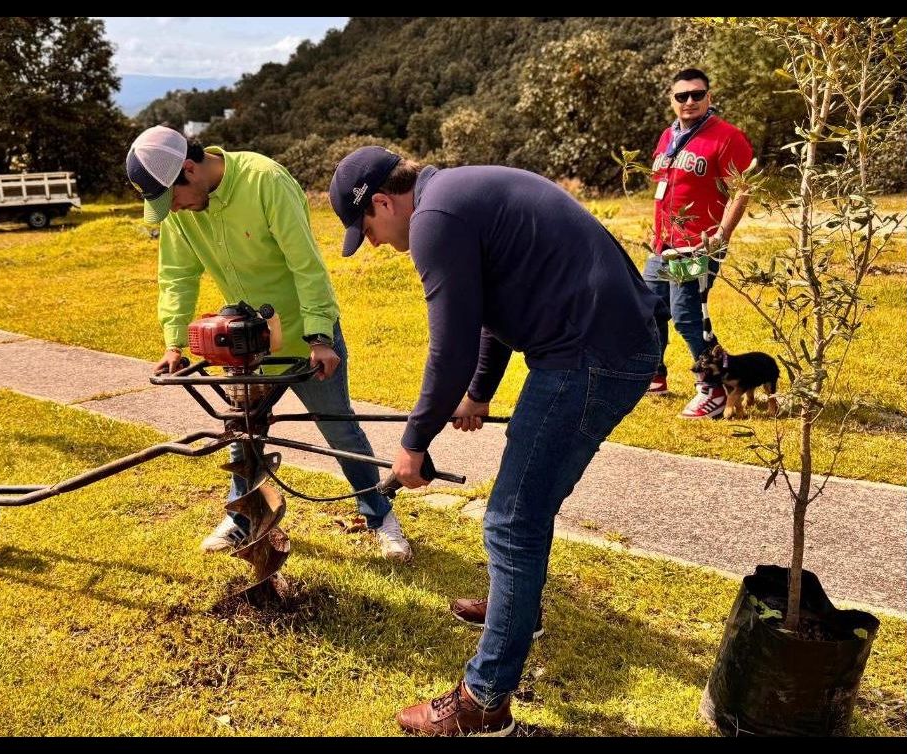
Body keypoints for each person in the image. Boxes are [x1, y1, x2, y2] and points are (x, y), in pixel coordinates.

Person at [330, 147, 663, 735]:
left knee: (512, 519)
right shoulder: (458, 193)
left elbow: (450, 344)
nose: (375, 243)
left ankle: (483, 703)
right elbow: (488, 312)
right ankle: (517, 612)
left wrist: (413, 442)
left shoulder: (435, 220)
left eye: (368, 230)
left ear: (384, 201)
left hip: (590, 356)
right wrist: (479, 393)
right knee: (523, 513)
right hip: (601, 343)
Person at [125, 125, 411, 562]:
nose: (174, 209)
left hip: (305, 337)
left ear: (189, 169)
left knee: (338, 429)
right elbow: (177, 277)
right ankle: (243, 519)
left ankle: (379, 515)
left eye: (173, 197)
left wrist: (319, 337)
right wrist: (174, 344)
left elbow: (305, 263)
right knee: (242, 432)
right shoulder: (183, 215)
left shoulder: (265, 180)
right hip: (245, 340)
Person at [646, 67, 754, 419]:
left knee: (687, 316)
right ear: (672, 100)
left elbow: (742, 189)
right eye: (682, 96)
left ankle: (715, 388)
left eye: (697, 94)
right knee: (648, 308)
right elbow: (665, 185)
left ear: (709, 96)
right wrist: (656, 230)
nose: (689, 101)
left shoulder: (727, 137)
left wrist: (722, 234)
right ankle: (654, 375)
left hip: (698, 246)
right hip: (664, 244)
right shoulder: (668, 135)